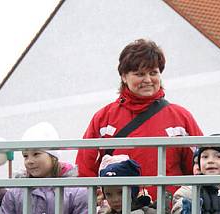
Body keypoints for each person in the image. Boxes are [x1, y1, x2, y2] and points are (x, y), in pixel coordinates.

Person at [76, 38, 203, 197]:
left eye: (153, 73)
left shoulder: (180, 118)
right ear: (124, 76)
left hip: (168, 213)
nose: (148, 80)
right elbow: (84, 169)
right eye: (139, 74)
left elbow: (199, 168)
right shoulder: (103, 118)